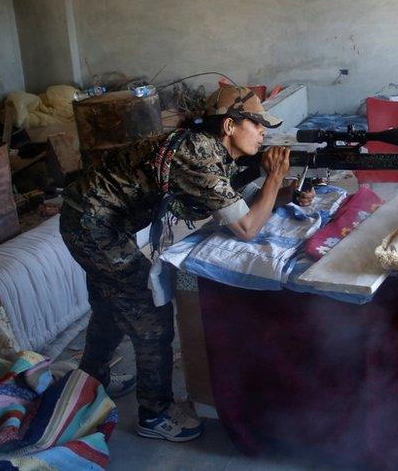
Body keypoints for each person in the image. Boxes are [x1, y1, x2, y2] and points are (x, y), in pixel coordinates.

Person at [60, 85, 313, 442]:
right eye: (257, 124)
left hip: (101, 218)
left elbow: (238, 207)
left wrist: (287, 190)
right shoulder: (197, 155)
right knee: (150, 314)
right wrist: (273, 178)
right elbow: (246, 228)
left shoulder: (211, 152)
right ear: (229, 126)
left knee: (110, 303)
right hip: (92, 222)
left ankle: (91, 378)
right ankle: (154, 414)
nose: (263, 134)